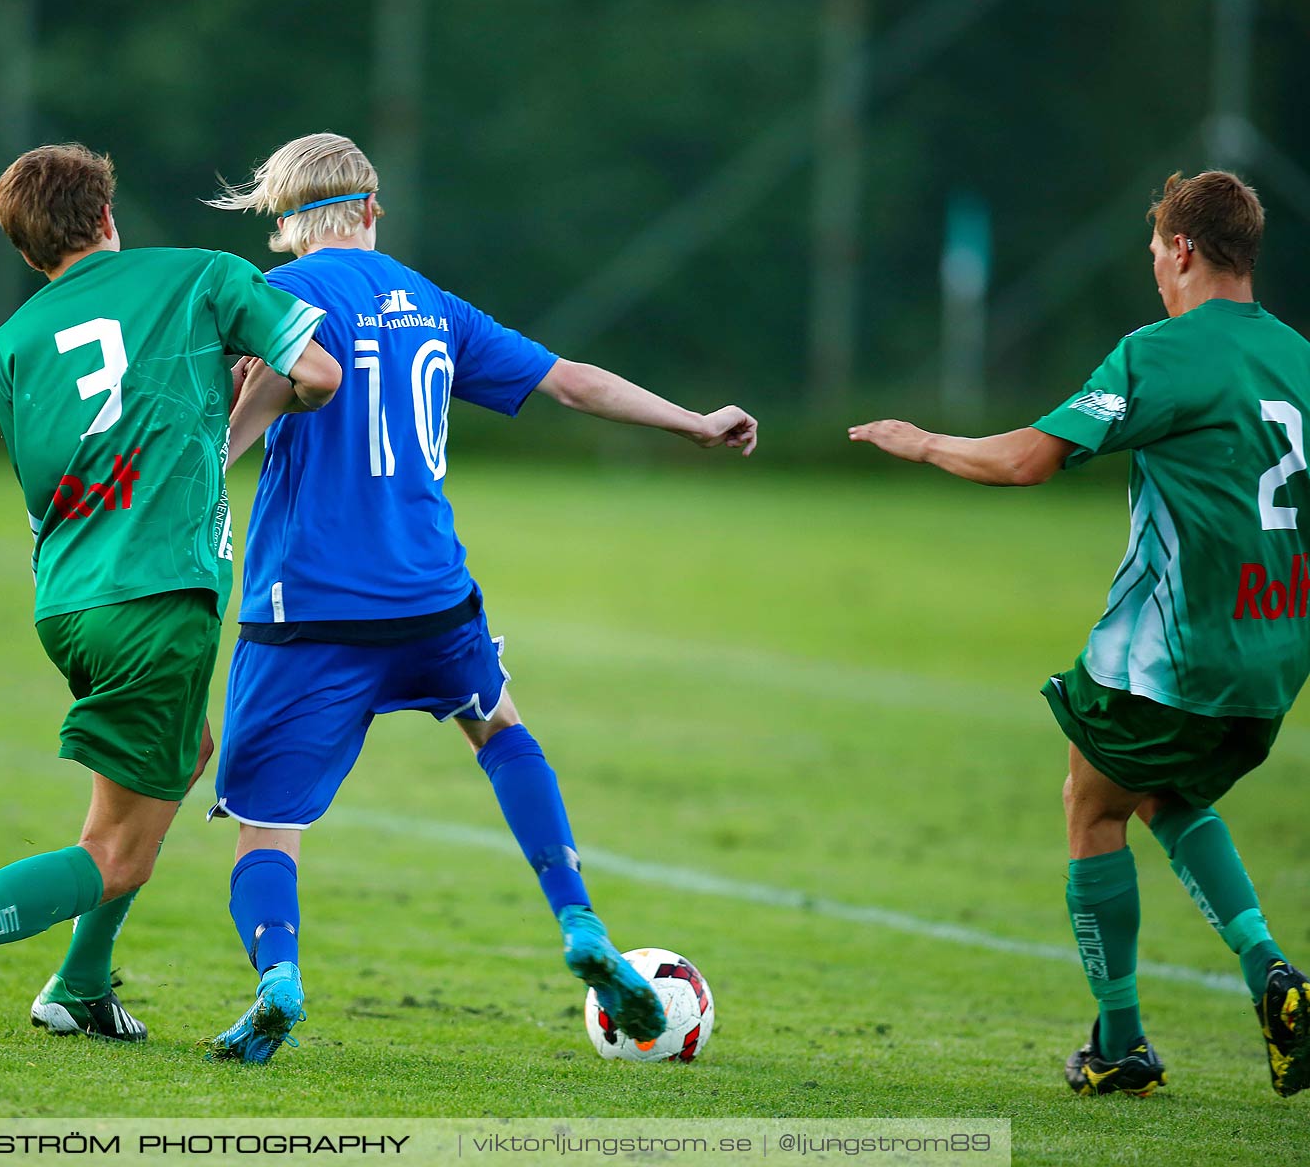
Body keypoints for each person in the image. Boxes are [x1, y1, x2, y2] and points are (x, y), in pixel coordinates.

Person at [198, 132, 758, 1063]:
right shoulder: (429, 303)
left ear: (283, 228)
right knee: (499, 729)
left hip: (309, 605)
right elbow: (572, 383)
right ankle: (579, 921)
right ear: (373, 210)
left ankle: (279, 980)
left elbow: (230, 436)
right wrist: (693, 422)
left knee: (271, 822)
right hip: (430, 592)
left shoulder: (279, 300)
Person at [0, 143, 341, 1042]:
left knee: (184, 756)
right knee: (114, 854)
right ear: (107, 217)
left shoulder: (11, 344)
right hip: (159, 597)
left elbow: (46, 486)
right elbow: (320, 375)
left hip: (69, 602)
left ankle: (82, 984)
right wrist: (247, 390)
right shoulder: (203, 276)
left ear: (30, 253)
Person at [850, 170, 1309, 1098]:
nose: (1154, 272)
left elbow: (1027, 460)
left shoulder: (1162, 353)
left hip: (1178, 653)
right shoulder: (1300, 358)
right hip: (1276, 657)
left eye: (1154, 254)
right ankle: (1269, 973)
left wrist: (924, 441)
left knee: (1092, 805)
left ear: (1181, 249)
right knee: (1160, 791)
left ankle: (1124, 1047)